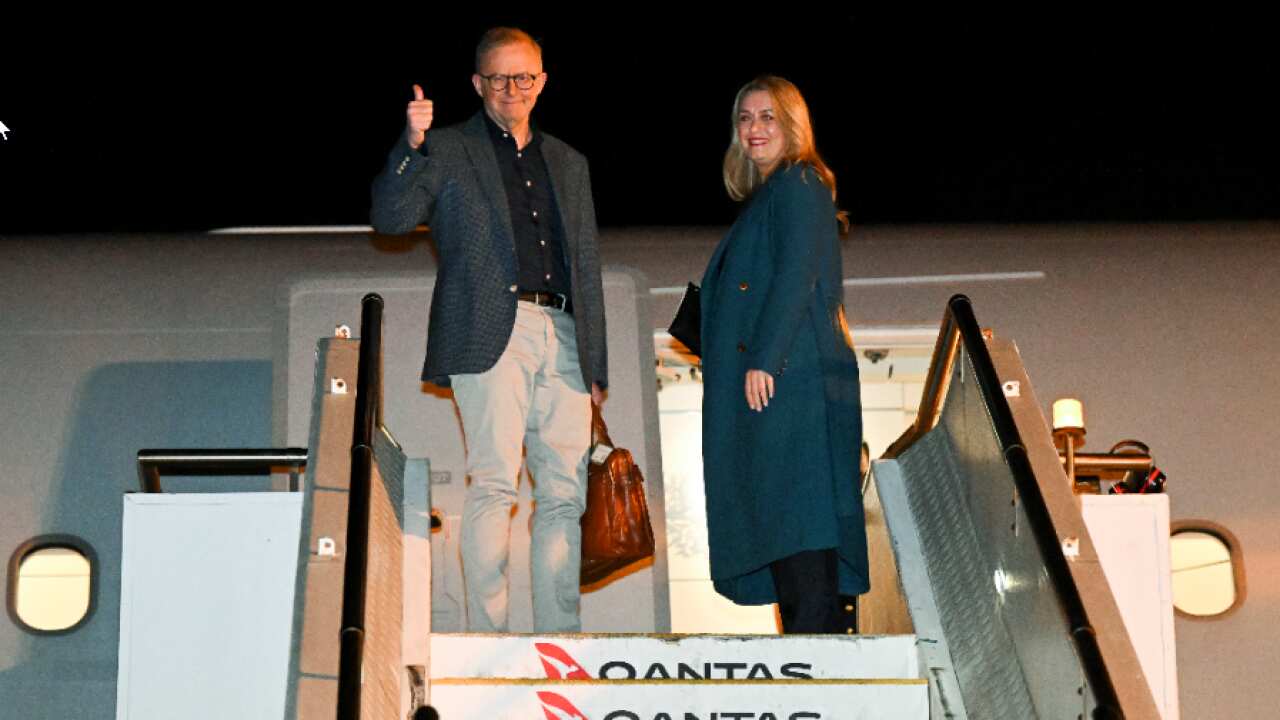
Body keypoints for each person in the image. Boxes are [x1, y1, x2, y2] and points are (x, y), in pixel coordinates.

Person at [371, 27, 607, 633]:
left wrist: (596, 362)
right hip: (490, 327)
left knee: (564, 495)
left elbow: (585, 262)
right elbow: (392, 216)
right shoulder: (447, 150)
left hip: (565, 331)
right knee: (494, 485)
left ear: (542, 81)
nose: (512, 89)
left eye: (524, 76)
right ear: (478, 84)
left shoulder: (569, 162)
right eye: (499, 78)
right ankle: (490, 639)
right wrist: (413, 142)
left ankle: (561, 641)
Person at [699, 75, 867, 634]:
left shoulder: (798, 182)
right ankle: (807, 657)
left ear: (793, 125)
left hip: (789, 384)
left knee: (798, 522)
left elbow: (798, 274)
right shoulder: (772, 195)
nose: (754, 128)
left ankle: (816, 663)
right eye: (745, 118)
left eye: (768, 116)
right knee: (787, 526)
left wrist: (764, 358)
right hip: (784, 382)